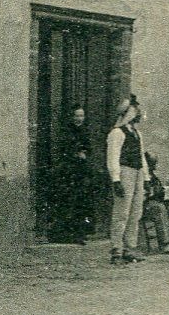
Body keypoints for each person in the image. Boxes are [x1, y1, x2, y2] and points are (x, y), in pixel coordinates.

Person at [105, 96, 150, 265]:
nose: (139, 115)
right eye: (136, 112)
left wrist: (146, 178)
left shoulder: (137, 134)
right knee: (121, 212)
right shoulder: (117, 133)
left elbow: (141, 156)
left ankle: (130, 247)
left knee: (135, 212)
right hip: (125, 172)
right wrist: (116, 179)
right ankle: (117, 248)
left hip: (137, 173)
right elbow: (113, 157)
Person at [52, 107, 95, 244]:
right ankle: (68, 234)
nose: (79, 118)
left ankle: (81, 232)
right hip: (69, 171)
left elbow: (89, 148)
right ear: (72, 116)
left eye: (81, 115)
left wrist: (84, 152)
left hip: (82, 171)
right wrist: (76, 153)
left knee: (82, 202)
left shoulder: (85, 130)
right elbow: (64, 148)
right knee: (69, 202)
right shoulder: (67, 131)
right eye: (76, 115)